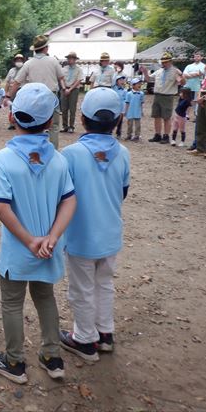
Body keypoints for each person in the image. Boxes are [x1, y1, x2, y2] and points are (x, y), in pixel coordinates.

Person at [0, 82, 76, 384]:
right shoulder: (59, 160)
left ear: (12, 116)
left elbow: (2, 208)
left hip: (18, 250)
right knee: (46, 298)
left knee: (12, 303)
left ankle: (15, 363)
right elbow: (69, 200)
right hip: (48, 250)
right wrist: (51, 237)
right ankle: (52, 357)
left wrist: (29, 241)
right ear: (50, 122)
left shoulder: (3, 159)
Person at [60, 87, 130, 362]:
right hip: (110, 233)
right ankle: (105, 333)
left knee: (81, 289)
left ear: (81, 118)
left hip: (80, 236)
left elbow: (62, 196)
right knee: (104, 284)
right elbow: (122, 191)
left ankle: (85, 340)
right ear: (117, 120)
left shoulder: (70, 154)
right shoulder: (123, 152)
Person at [8, 35, 65, 149]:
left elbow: (17, 82)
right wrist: (64, 89)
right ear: (46, 48)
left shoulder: (29, 63)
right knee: (53, 125)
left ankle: (34, 149)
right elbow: (61, 78)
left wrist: (9, 95)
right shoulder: (53, 61)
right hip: (51, 96)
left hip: (34, 97)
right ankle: (53, 150)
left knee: (35, 123)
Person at [140, 52, 185, 144]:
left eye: (165, 62)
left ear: (170, 62)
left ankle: (166, 136)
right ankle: (157, 135)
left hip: (167, 96)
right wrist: (145, 72)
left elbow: (182, 83)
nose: (163, 64)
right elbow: (149, 79)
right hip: (157, 95)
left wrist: (181, 76)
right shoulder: (159, 71)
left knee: (166, 117)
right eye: (162, 62)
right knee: (156, 116)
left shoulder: (175, 71)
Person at [190, 49, 206, 159]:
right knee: (201, 123)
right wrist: (199, 96)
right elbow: (203, 84)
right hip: (204, 96)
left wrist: (204, 97)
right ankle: (201, 148)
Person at [183, 52, 205, 151]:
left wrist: (190, 75)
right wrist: (194, 74)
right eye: (195, 55)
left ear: (202, 57)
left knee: (196, 103)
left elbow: (200, 74)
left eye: (198, 56)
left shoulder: (204, 66)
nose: (197, 57)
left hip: (197, 88)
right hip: (188, 87)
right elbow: (184, 75)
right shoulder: (189, 65)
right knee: (187, 103)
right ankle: (186, 115)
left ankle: (196, 114)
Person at [60, 52, 83, 133]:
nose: (70, 60)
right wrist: (64, 88)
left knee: (72, 109)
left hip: (74, 90)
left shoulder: (78, 70)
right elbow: (61, 79)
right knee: (64, 109)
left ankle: (71, 126)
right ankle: (64, 126)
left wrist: (70, 89)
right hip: (64, 89)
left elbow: (78, 81)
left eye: (72, 58)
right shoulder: (63, 69)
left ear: (75, 60)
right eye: (69, 58)